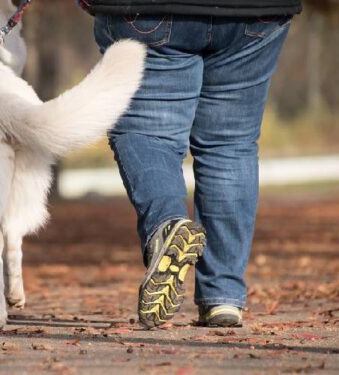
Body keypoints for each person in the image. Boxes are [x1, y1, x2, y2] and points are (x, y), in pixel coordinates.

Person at [77, 0, 302, 328]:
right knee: (230, 144)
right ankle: (223, 295)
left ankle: (167, 224)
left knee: (147, 132)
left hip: (148, 11)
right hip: (256, 12)